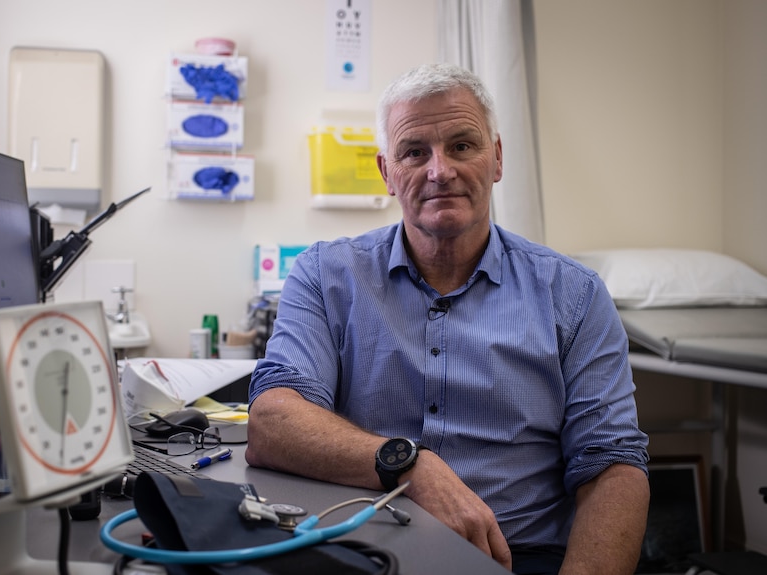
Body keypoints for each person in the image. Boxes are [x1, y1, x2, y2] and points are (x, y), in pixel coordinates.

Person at [245, 63, 649, 575]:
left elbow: (612, 465)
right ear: (386, 172)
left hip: (518, 558)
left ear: (497, 158)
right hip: (364, 551)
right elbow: (274, 422)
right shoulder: (326, 276)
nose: (440, 171)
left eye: (462, 145)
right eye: (414, 152)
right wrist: (409, 464)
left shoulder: (574, 294)